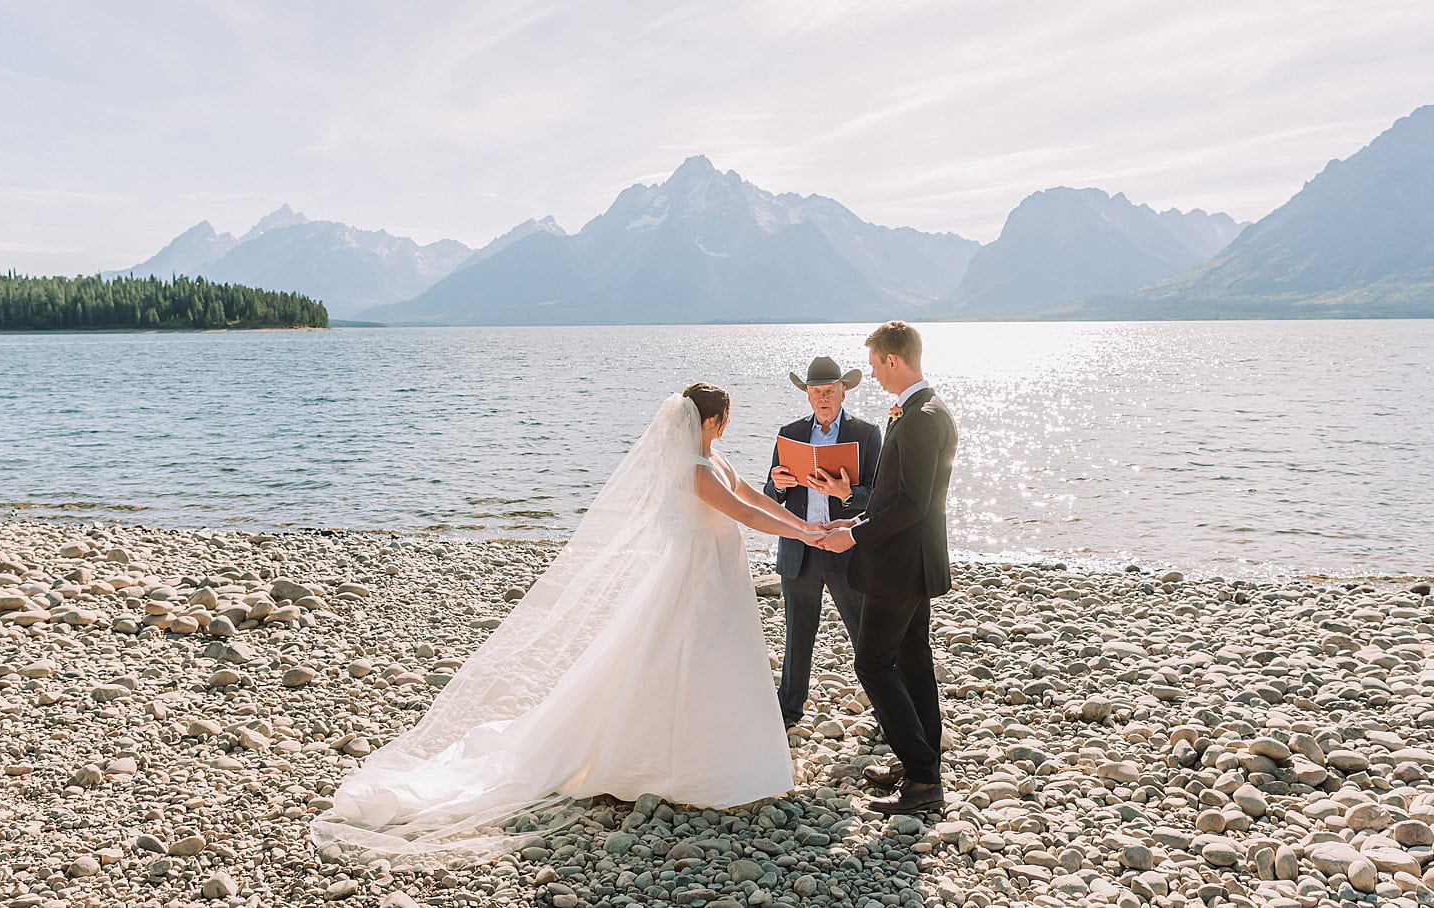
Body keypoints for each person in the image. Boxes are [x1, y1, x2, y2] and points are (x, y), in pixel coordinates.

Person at [312, 384, 824, 862]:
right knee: (688, 657)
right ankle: (676, 764)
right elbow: (743, 514)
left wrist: (806, 527)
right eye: (726, 417)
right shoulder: (695, 468)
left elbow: (756, 500)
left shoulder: (714, 458)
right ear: (714, 419)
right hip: (697, 577)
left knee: (711, 660)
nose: (728, 424)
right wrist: (810, 538)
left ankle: (713, 754)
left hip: (717, 573)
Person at [817, 321, 957, 815]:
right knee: (914, 659)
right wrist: (854, 517)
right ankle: (923, 766)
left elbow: (912, 505)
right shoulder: (922, 409)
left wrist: (853, 535)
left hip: (899, 566)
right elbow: (894, 498)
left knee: (872, 663)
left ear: (892, 360)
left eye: (876, 365)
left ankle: (922, 778)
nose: (874, 375)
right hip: (910, 561)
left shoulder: (920, 417)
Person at [763, 356, 881, 728]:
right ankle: (788, 711)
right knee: (797, 635)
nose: (823, 398)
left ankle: (886, 708)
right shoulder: (790, 433)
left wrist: (847, 493)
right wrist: (777, 484)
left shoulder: (866, 433)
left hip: (845, 546)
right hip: (799, 547)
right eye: (816, 392)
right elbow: (770, 495)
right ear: (808, 395)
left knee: (863, 632)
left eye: (829, 391)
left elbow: (878, 496)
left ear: (843, 391)